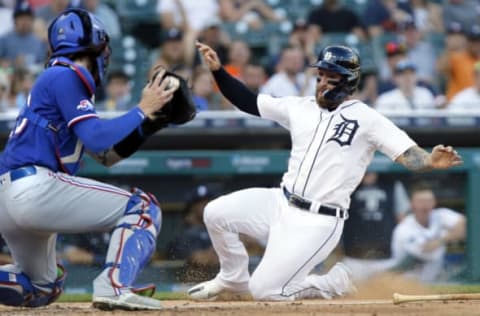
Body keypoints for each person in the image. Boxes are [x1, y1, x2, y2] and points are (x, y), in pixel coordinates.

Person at [189, 41, 462, 301]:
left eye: (330, 76)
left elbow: (405, 153)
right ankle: (233, 278)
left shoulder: (367, 117)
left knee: (265, 290)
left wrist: (427, 161)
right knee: (216, 213)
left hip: (318, 221)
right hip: (279, 202)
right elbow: (247, 101)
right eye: (320, 75)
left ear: (347, 81)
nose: (322, 82)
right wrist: (218, 72)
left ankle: (331, 282)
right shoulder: (299, 107)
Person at [0, 8, 183, 310]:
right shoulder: (66, 74)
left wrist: (150, 123)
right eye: (103, 48)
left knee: (43, 287)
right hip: (34, 188)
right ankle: (114, 286)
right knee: (144, 207)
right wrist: (141, 109)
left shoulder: (58, 78)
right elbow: (98, 137)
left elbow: (105, 155)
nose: (106, 55)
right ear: (92, 46)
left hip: (11, 196)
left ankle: (112, 285)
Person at [391, 182, 466, 282]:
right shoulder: (404, 228)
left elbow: (467, 226)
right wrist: (448, 234)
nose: (425, 205)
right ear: (412, 203)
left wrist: (441, 239)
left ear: (434, 202)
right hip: (405, 280)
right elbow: (428, 250)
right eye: (421, 201)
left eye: (428, 200)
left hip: (432, 279)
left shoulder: (440, 215)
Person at [341, 172, 410, 281]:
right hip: (353, 259)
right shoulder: (347, 185)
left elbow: (402, 221)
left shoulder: (392, 184)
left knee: (385, 295)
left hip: (385, 259)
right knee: (351, 295)